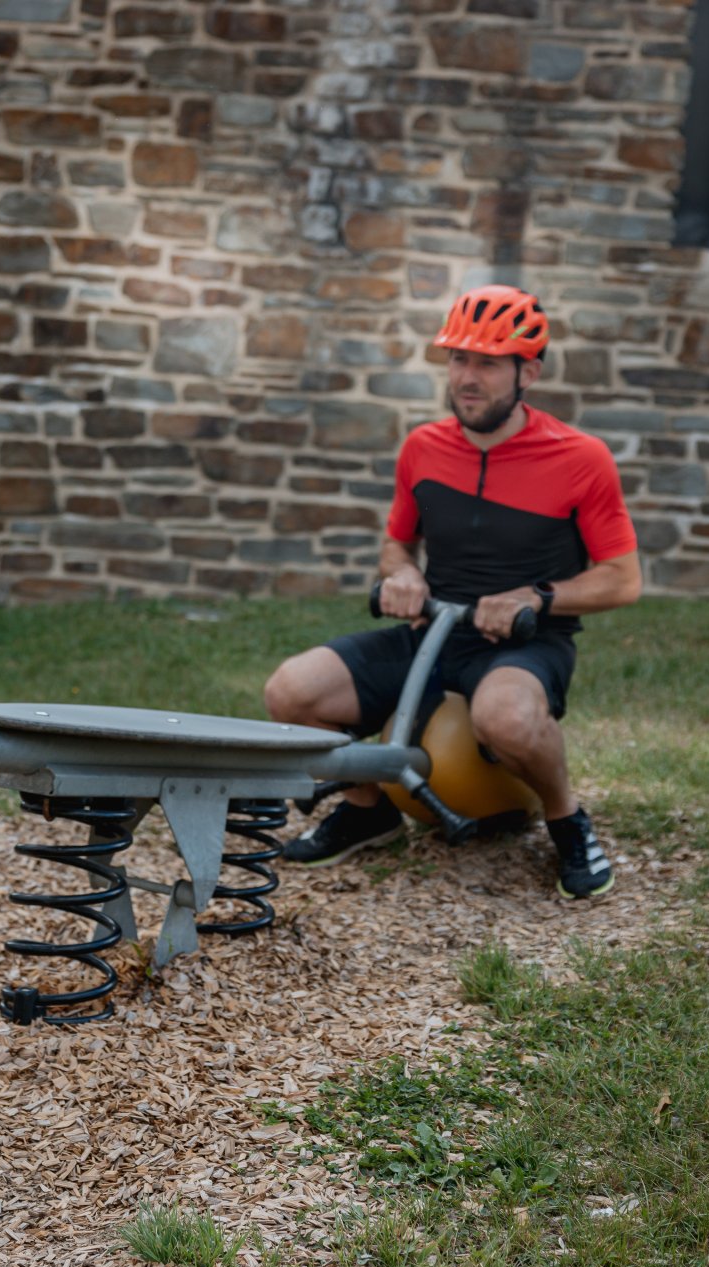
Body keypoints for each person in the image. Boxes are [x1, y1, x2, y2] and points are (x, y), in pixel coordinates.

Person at [264, 285, 641, 899]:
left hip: (523, 643)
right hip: (431, 633)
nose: (468, 377)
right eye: (459, 359)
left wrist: (535, 597)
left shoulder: (581, 458)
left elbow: (623, 581)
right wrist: (403, 575)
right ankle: (369, 811)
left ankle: (567, 819)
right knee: (290, 693)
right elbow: (397, 544)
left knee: (506, 719)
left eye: (488, 363)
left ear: (529, 373)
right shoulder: (424, 447)